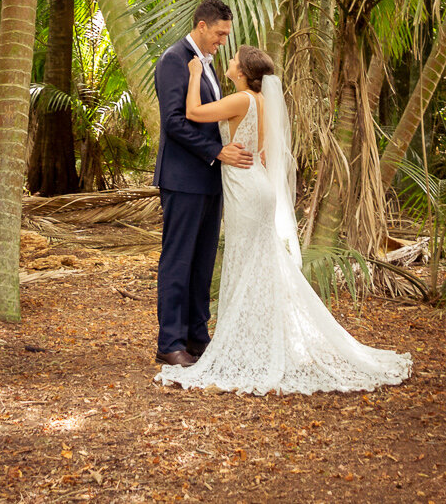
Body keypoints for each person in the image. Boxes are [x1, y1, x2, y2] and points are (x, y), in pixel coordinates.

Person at [155, 44, 413, 395]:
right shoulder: (259, 103)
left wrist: (197, 74)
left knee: (246, 263)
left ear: (244, 72)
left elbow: (193, 112)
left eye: (234, 61)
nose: (227, 61)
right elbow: (261, 149)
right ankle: (253, 338)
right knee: (260, 263)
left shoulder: (242, 99)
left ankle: (248, 342)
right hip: (256, 184)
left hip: (246, 190)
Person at [153, 0, 251, 366]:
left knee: (202, 261)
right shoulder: (173, 60)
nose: (224, 41)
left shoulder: (206, 65)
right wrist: (217, 151)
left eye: (227, 34)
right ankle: (170, 343)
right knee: (178, 260)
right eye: (220, 33)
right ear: (201, 26)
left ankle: (197, 337)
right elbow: (174, 122)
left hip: (211, 179)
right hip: (183, 178)